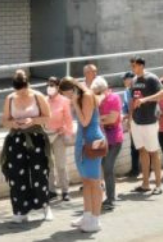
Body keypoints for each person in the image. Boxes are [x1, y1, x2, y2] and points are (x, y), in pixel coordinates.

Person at [0, 70, 50, 223]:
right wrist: (14, 123)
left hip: (35, 138)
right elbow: (5, 121)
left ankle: (45, 206)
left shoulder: (37, 96)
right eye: (18, 92)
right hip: (16, 138)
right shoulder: (10, 98)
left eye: (24, 92)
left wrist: (32, 121)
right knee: (16, 174)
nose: (21, 95)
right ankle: (20, 209)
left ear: (28, 85)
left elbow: (47, 117)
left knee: (39, 173)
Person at [59, 76, 104, 234]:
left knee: (94, 181)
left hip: (91, 139)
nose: (67, 98)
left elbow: (85, 121)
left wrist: (74, 103)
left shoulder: (86, 96)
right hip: (83, 138)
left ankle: (95, 219)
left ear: (72, 89)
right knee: (86, 180)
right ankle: (87, 215)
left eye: (67, 94)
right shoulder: (79, 97)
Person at [127, 56, 163, 193]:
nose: (132, 68)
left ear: (141, 66)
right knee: (142, 150)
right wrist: (130, 118)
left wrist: (145, 100)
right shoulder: (134, 80)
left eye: (134, 66)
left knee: (153, 152)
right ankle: (145, 184)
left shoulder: (152, 78)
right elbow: (133, 99)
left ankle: (158, 185)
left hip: (149, 121)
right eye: (132, 66)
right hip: (136, 121)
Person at [93, 76, 125, 209]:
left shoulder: (114, 98)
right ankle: (108, 196)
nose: (96, 95)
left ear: (103, 89)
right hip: (102, 137)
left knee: (108, 167)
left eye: (98, 92)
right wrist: (103, 118)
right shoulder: (97, 100)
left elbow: (113, 119)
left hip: (114, 138)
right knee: (104, 168)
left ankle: (111, 198)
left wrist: (101, 119)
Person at [43, 77, 74, 203]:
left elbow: (69, 120)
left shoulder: (64, 101)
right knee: (49, 165)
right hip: (45, 136)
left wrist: (67, 132)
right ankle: (51, 191)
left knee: (61, 165)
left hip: (59, 136)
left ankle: (65, 191)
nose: (50, 87)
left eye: (53, 85)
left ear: (58, 87)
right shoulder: (43, 101)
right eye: (48, 85)